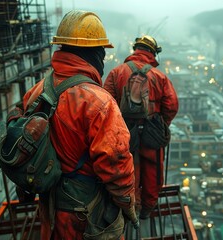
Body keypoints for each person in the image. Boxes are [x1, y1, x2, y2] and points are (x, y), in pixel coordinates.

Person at [19, 10, 137, 239]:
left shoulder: (37, 91)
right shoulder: (99, 102)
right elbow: (115, 161)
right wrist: (127, 201)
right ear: (94, 53)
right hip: (84, 215)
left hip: (50, 210)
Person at [104, 35, 179, 219]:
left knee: (125, 168)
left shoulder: (117, 72)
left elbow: (105, 103)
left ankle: (128, 207)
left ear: (135, 50)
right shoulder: (159, 77)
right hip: (151, 134)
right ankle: (146, 209)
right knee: (152, 171)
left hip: (123, 133)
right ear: (153, 53)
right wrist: (160, 125)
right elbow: (172, 105)